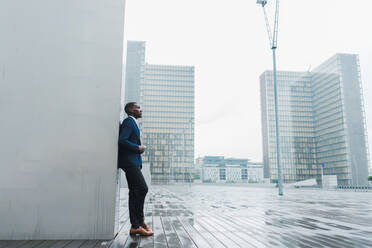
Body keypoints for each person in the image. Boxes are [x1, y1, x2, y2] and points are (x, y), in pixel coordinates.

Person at [118, 102, 154, 236]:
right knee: (142, 188)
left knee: (134, 192)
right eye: (138, 108)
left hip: (133, 162)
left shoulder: (133, 122)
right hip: (130, 162)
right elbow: (122, 140)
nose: (141, 110)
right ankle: (137, 223)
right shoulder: (129, 122)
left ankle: (137, 224)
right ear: (131, 110)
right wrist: (138, 148)